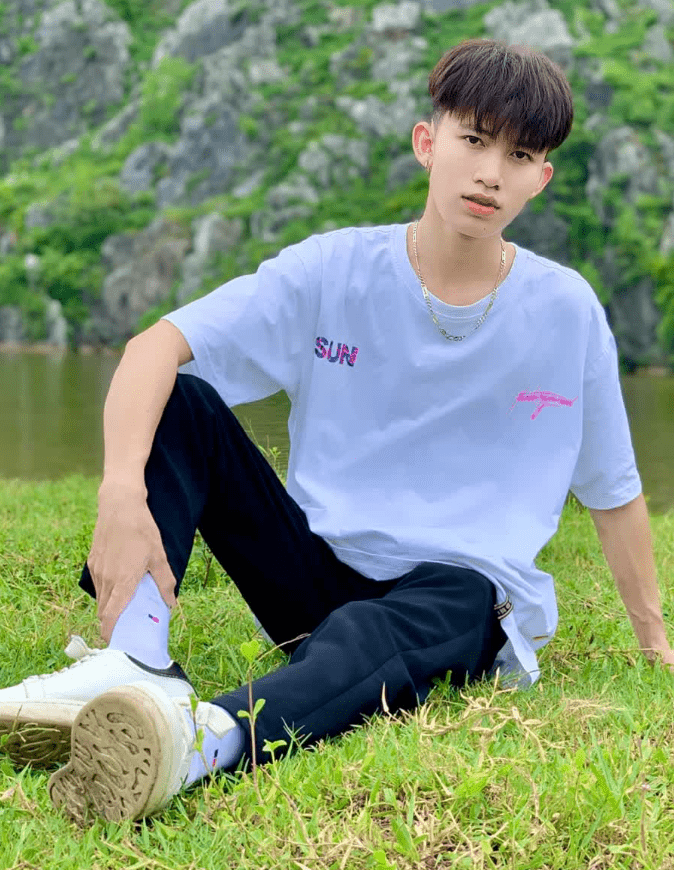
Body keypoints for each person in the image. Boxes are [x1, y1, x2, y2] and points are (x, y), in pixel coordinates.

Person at [1, 38, 672, 825]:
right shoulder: (334, 270)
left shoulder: (566, 311)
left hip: (452, 602)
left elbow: (613, 490)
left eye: (519, 154)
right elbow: (155, 348)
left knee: (450, 597)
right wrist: (120, 491)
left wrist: (654, 643)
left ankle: (197, 742)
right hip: (315, 576)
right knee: (181, 402)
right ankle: (137, 661)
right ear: (428, 142)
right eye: (474, 139)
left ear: (541, 178)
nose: (492, 171)